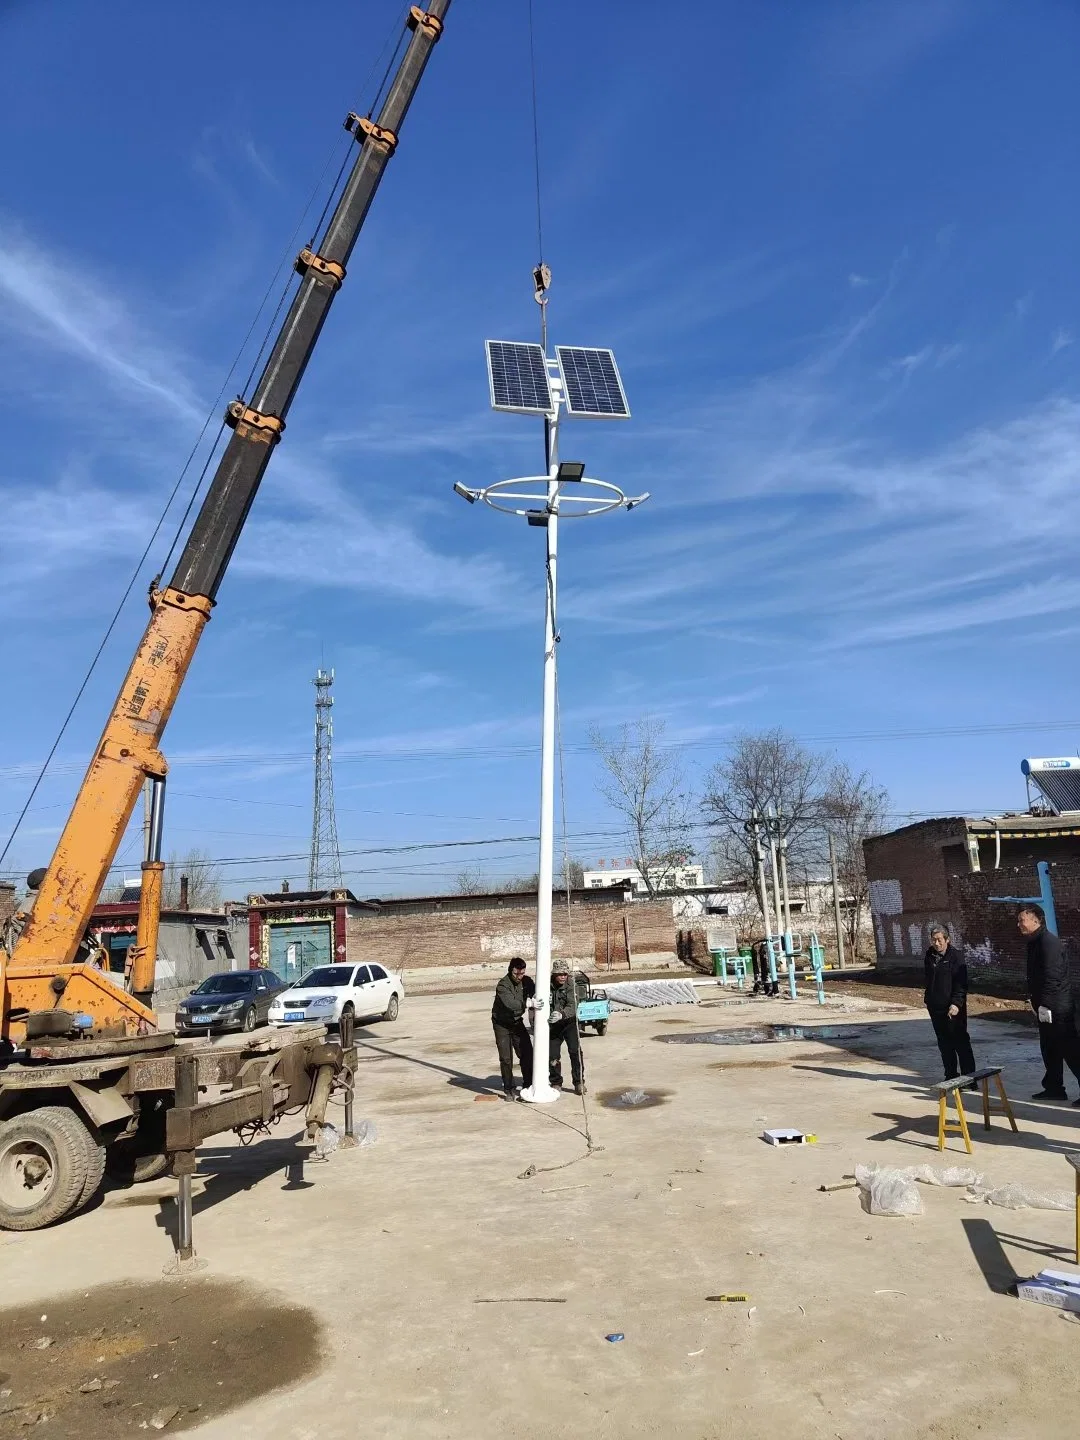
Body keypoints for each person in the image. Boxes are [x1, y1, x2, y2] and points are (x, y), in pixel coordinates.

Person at [1018, 903, 1080, 1102]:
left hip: (1057, 1008)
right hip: (1046, 1007)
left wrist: (1045, 1005)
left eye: (1022, 919)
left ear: (1036, 920)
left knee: (1070, 1050)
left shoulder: (1048, 943)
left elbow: (1053, 978)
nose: (1019, 923)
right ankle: (1054, 1088)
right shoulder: (1035, 942)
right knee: (1049, 1049)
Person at [923, 924, 976, 1082]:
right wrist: (928, 999)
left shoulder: (956, 957)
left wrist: (956, 1003)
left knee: (960, 1042)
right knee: (944, 1044)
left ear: (947, 939)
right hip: (935, 1007)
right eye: (934, 940)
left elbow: (961, 983)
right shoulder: (929, 956)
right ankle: (951, 1075)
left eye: (939, 940)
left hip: (953, 1009)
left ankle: (969, 1078)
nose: (936, 943)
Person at [491, 957, 534, 1100]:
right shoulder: (503, 985)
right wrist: (526, 1003)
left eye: (521, 973)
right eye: (516, 974)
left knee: (526, 1052)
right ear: (511, 971)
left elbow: (536, 992)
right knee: (506, 1058)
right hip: (501, 1024)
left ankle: (528, 1083)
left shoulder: (526, 981)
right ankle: (508, 1088)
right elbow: (511, 1003)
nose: (519, 977)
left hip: (516, 1022)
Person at [548, 961, 586, 1094]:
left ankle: (579, 1082)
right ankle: (556, 1082)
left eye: (565, 974)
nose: (563, 977)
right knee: (553, 1055)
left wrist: (562, 1014)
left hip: (569, 1022)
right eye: (560, 974)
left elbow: (573, 1005)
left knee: (575, 1052)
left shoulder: (571, 984)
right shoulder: (547, 985)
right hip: (554, 1025)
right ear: (554, 974)